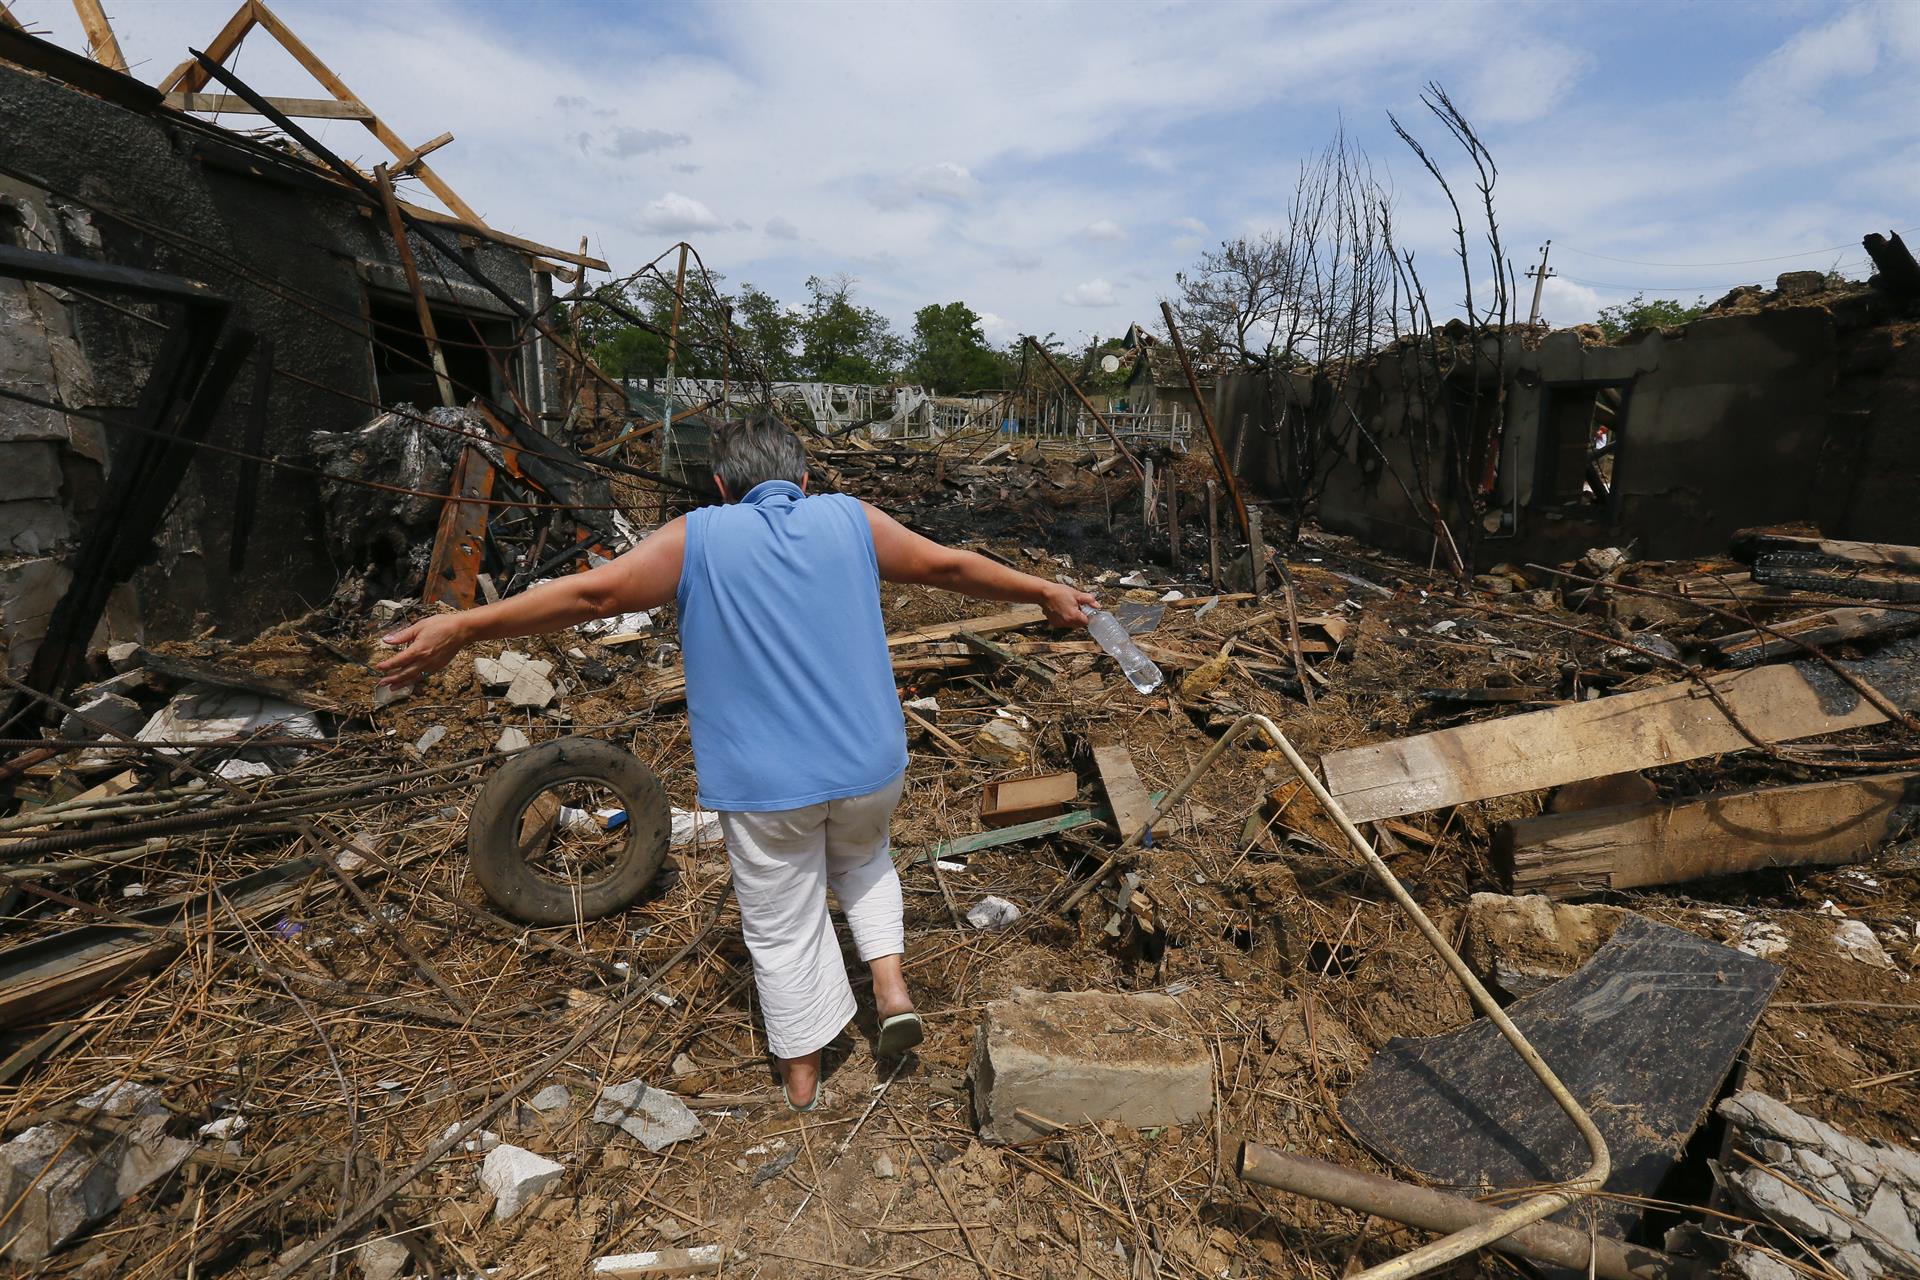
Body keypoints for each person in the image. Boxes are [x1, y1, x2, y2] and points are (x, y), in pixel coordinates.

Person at [377, 417, 1095, 1109]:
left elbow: (593, 594)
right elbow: (948, 566)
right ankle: (891, 987)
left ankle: (804, 1071)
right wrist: (1043, 590)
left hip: (766, 782)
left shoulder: (696, 538)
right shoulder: (852, 518)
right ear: (805, 478)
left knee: (781, 918)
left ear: (720, 484)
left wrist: (464, 623)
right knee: (864, 858)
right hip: (872, 762)